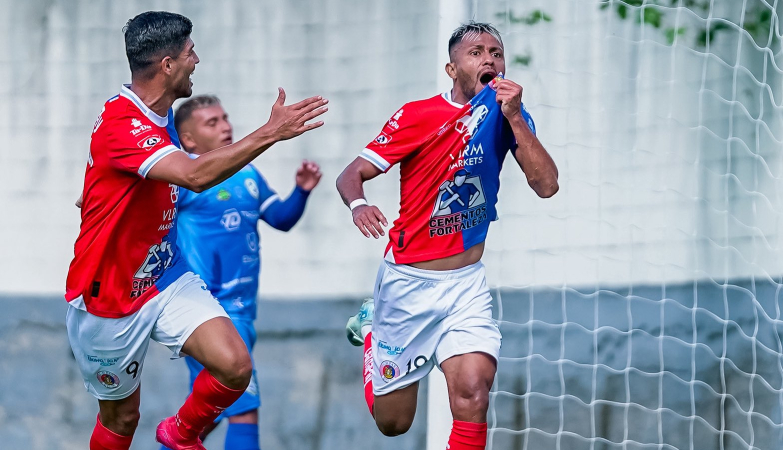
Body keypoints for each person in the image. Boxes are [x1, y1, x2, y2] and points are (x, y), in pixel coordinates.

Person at [64, 11, 327, 450]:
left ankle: (182, 435)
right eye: (190, 53)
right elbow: (194, 176)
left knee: (235, 367)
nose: (197, 59)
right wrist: (271, 131)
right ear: (167, 65)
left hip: (166, 276)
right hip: (107, 294)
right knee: (122, 418)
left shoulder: (161, 113)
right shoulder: (123, 122)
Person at [336, 22, 558, 449]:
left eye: (496, 52)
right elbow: (352, 173)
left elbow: (547, 185)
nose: (489, 59)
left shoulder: (507, 115)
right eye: (476, 53)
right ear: (452, 68)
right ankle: (370, 330)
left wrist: (514, 117)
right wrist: (358, 204)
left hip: (465, 284)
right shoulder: (415, 115)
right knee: (394, 424)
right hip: (408, 284)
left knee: (474, 390)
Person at [155, 95, 321, 450]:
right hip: (207, 314)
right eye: (211, 122)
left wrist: (302, 192)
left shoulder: (247, 173)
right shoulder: (185, 177)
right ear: (189, 140)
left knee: (204, 417)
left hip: (243, 312)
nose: (226, 126)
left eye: (225, 118)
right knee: (244, 411)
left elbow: (280, 218)